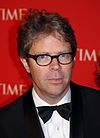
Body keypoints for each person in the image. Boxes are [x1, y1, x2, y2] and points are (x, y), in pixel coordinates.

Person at [0, 9, 100, 138]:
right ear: (26, 63)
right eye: (43, 57)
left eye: (63, 55)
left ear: (73, 59)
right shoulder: (4, 123)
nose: (55, 66)